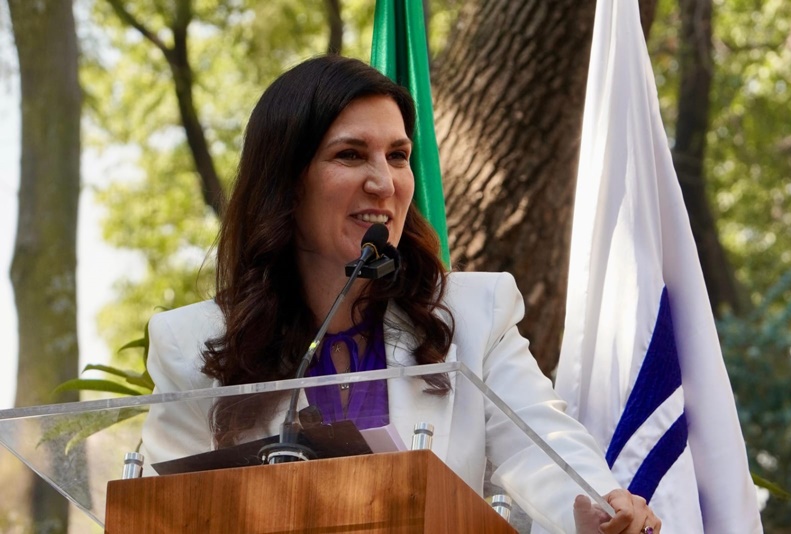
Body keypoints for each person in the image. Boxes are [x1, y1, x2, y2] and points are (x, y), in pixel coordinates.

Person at [139, 55, 661, 534]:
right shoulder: (189, 343)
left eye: (397, 156)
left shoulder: (474, 312)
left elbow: (540, 443)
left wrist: (601, 505)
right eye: (350, 155)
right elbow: (160, 515)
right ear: (286, 180)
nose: (384, 183)